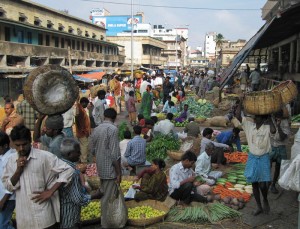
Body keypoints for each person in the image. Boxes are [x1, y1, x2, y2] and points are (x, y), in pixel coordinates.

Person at [2, 125, 74, 229]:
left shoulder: (44, 156)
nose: (21, 148)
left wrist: (51, 191)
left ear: (30, 141)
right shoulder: (11, 161)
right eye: (18, 145)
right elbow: (8, 187)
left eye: (24, 144)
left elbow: (68, 170)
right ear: (12, 143)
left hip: (44, 216)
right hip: (24, 219)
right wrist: (18, 171)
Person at [89, 108, 122, 228]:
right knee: (107, 197)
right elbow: (115, 154)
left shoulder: (97, 129)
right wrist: (119, 173)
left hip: (101, 166)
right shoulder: (112, 129)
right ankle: (106, 223)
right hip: (110, 169)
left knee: (104, 193)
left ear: (104, 116)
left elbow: (91, 149)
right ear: (114, 118)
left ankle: (107, 221)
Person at [59, 138, 102, 229]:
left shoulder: (60, 164)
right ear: (69, 154)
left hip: (60, 214)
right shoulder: (71, 172)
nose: (80, 154)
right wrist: (95, 195)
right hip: (69, 217)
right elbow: (78, 199)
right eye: (77, 152)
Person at [241, 114, 276, 215]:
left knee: (263, 184)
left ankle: (265, 199)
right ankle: (259, 206)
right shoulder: (249, 127)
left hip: (263, 157)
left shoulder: (267, 127)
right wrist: (241, 100)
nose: (255, 119)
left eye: (258, 117)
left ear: (263, 119)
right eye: (255, 117)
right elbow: (238, 116)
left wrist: (269, 119)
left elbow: (273, 131)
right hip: (252, 157)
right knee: (254, 183)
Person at [269, 110, 290, 194]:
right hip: (271, 147)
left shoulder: (285, 122)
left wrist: (278, 126)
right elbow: (270, 132)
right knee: (268, 165)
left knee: (278, 167)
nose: (277, 118)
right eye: (276, 116)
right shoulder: (271, 120)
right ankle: (268, 182)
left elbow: (283, 137)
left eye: (279, 116)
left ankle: (273, 184)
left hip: (281, 147)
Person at [0, 131, 16, 229]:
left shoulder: (11, 158)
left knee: (2, 225)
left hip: (8, 198)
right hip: (2, 196)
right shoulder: (2, 156)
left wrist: (3, 200)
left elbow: (12, 181)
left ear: (5, 146)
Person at [75, 97, 91, 163]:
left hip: (81, 131)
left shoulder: (81, 108)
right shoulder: (80, 110)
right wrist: (84, 131)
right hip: (82, 132)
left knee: (82, 146)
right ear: (83, 103)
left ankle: (82, 158)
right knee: (84, 146)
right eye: (86, 104)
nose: (86, 105)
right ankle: (83, 160)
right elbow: (80, 122)